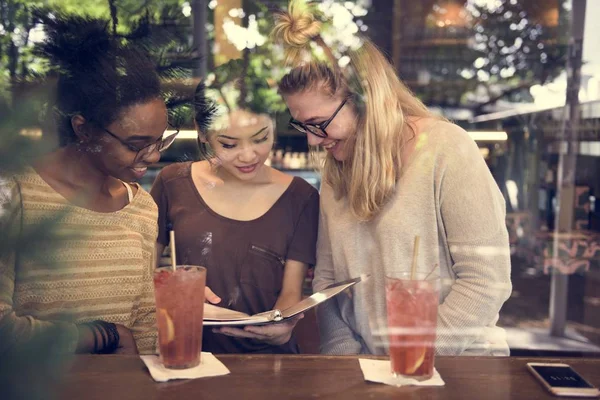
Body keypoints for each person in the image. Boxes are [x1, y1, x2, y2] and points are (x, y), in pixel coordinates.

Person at [272, 0, 512, 356]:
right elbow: (328, 284)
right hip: (368, 375)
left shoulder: (447, 148)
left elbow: (485, 282)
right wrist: (345, 360)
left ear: (367, 100)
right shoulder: (336, 171)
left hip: (459, 371)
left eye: (319, 123)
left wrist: (412, 359)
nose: (312, 140)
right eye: (302, 125)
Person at [0, 16, 175, 355]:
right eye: (137, 143)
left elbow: (144, 325)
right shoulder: (15, 194)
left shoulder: (141, 207)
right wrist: (100, 335)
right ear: (84, 129)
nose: (152, 157)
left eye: (159, 141)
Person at [150, 84, 319, 353]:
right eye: (229, 144)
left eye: (261, 138)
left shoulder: (301, 197)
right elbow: (143, 274)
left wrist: (280, 328)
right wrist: (173, 291)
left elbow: (291, 291)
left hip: (270, 363)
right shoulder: (172, 182)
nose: (249, 155)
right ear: (203, 133)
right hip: (189, 352)